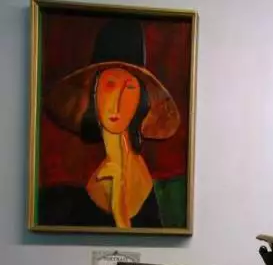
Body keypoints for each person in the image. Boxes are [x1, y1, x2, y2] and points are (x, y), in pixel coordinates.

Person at [38, 18, 181, 229]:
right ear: (94, 94)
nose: (117, 101)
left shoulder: (166, 191)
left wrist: (119, 211)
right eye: (110, 85)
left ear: (141, 100)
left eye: (129, 88)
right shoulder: (65, 190)